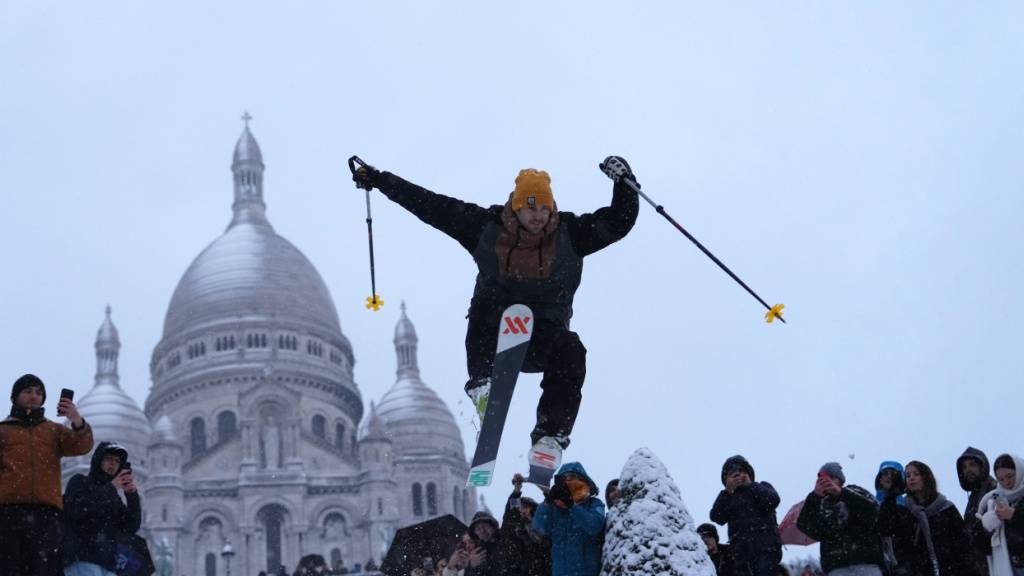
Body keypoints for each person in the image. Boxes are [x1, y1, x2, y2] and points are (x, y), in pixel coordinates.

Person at [353, 158, 640, 450]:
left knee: (571, 347)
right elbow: (431, 205)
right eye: (531, 207)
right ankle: (483, 386)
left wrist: (625, 181)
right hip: (495, 335)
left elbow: (619, 222)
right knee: (485, 302)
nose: (538, 216)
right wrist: (380, 180)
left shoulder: (572, 234)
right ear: (516, 206)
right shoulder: (485, 228)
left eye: (544, 208)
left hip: (543, 341)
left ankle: (550, 435)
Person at [0, 373, 94, 576]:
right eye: (28, 391)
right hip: (8, 512)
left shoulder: (53, 430)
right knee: (9, 568)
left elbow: (82, 445)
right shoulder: (3, 431)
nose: (34, 396)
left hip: (46, 513)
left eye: (39, 392)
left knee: (44, 569)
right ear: (15, 396)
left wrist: (76, 419)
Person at [878, 460, 978, 576]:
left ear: (926, 477)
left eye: (916, 474)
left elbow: (963, 546)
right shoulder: (904, 511)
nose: (911, 478)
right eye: (908, 475)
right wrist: (891, 495)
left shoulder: (946, 509)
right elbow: (884, 528)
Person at [62, 442, 148, 576]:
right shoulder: (79, 482)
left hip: (109, 566)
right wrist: (111, 488)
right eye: (108, 459)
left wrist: (131, 495)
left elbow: (131, 527)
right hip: (82, 561)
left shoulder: (113, 497)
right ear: (98, 460)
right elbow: (80, 513)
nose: (113, 464)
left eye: (117, 461)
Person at [797, 462, 883, 575]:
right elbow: (804, 524)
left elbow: (873, 509)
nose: (827, 482)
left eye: (831, 478)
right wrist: (814, 496)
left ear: (840, 480)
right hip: (836, 566)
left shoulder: (855, 491)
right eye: (821, 480)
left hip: (865, 562)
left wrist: (841, 493)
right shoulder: (819, 505)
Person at [710, 455, 782, 576]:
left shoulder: (761, 486)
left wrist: (751, 485)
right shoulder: (728, 497)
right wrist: (727, 492)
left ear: (749, 473)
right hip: (740, 556)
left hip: (766, 550)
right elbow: (716, 517)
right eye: (732, 473)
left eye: (741, 471)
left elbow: (773, 500)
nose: (737, 475)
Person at [532, 462, 605, 576]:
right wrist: (547, 502)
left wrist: (571, 506)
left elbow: (594, 526)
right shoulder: (555, 508)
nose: (568, 481)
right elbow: (539, 527)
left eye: (572, 477)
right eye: (564, 478)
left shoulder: (594, 503)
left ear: (583, 480)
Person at [977, 453, 1024, 576]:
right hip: (1008, 568)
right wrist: (987, 527)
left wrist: (1014, 516)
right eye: (1001, 479)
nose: (1007, 482)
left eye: (1010, 476)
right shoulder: (993, 500)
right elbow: (982, 547)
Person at [960, 447, 1000, 576]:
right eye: (964, 467)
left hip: (996, 559)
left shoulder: (994, 489)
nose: (968, 470)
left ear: (982, 466)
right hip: (980, 564)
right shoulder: (974, 495)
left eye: (972, 465)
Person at [504, 473, 551, 576]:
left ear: (533, 509)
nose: (522, 511)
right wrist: (517, 489)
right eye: (520, 508)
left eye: (525, 507)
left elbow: (551, 500)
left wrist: (536, 481)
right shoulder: (517, 531)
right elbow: (510, 512)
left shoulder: (544, 523)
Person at [874, 461, 911, 576]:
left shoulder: (910, 507)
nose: (889, 476)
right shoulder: (870, 506)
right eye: (885, 473)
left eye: (894, 473)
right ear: (880, 479)